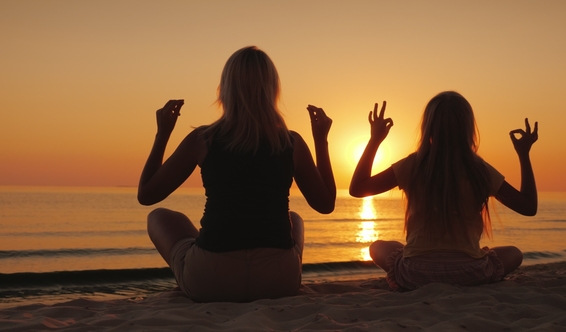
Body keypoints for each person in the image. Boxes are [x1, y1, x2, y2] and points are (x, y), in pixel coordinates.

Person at [137, 46, 336, 302]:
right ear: (272, 90)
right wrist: (321, 141)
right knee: (294, 219)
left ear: (225, 89)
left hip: (210, 279)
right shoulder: (291, 142)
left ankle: (212, 251)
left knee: (159, 216)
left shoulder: (203, 139)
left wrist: (162, 133)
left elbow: (147, 195)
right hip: (279, 281)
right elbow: (326, 204)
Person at [349, 91, 538, 291]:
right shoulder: (479, 169)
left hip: (415, 274)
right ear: (468, 127)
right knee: (514, 253)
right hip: (469, 273)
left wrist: (375, 140)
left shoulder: (413, 164)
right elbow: (528, 206)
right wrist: (524, 154)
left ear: (428, 126)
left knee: (377, 247)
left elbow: (358, 188)